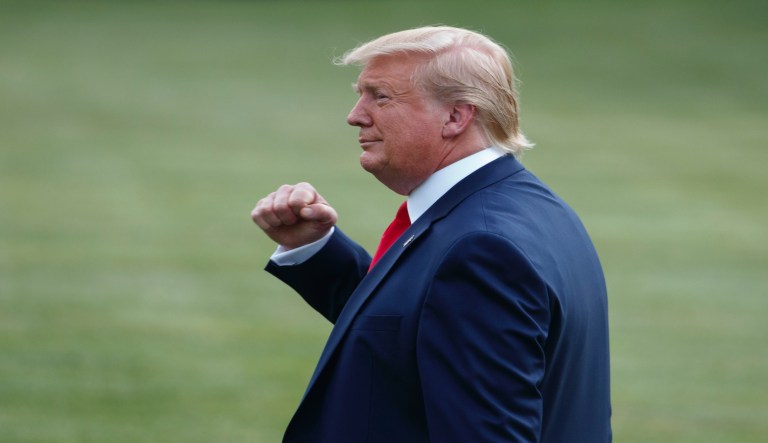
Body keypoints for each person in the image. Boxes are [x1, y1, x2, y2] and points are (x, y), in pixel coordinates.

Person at [251, 26, 611, 443]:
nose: (356, 115)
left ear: (456, 116)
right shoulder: (530, 209)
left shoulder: (481, 250)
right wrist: (313, 248)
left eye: (379, 96)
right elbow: (421, 329)